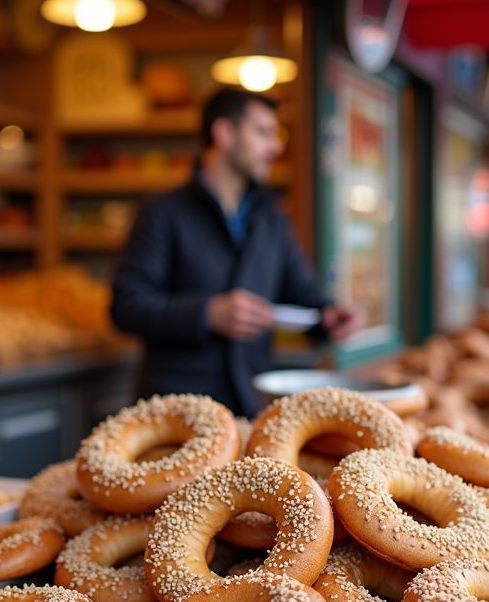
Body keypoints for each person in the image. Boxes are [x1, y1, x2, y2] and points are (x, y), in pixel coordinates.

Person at [110, 89, 364, 416]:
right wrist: (207, 313)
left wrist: (329, 315)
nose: (276, 147)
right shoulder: (163, 212)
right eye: (263, 133)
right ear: (224, 133)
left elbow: (302, 293)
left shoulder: (272, 218)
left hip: (251, 407)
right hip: (175, 413)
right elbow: (126, 306)